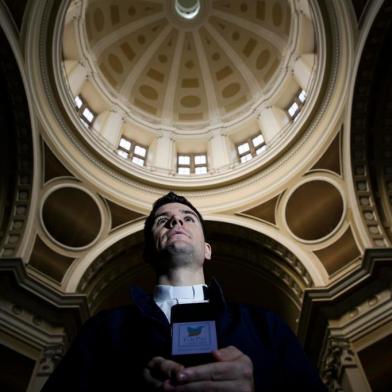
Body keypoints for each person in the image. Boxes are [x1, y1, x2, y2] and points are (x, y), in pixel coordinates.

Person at [42, 192, 326, 391]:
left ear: (207, 250)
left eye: (188, 218)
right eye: (162, 220)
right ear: (147, 253)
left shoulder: (266, 327)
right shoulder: (104, 330)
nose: (176, 222)